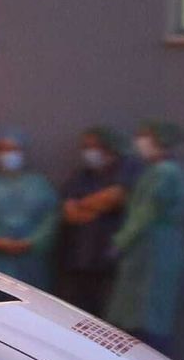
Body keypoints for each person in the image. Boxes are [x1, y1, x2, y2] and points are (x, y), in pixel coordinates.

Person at [106, 121, 184, 353]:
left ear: (160, 139)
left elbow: (145, 212)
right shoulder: (158, 171)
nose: (139, 141)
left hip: (152, 250)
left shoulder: (164, 173)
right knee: (143, 311)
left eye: (145, 135)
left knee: (146, 315)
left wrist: (120, 241)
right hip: (150, 247)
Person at [55, 125, 141, 315]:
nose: (89, 152)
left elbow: (114, 198)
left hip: (109, 261)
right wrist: (94, 207)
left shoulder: (128, 168)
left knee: (108, 316)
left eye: (95, 146)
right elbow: (70, 213)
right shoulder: (82, 176)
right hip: (78, 259)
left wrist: (84, 205)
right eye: (86, 147)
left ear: (110, 148)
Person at [0, 130, 59, 288]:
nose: (8, 155)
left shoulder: (39, 184)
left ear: (23, 152)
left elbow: (51, 217)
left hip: (31, 260)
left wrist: (33, 241)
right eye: (3, 149)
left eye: (14, 149)